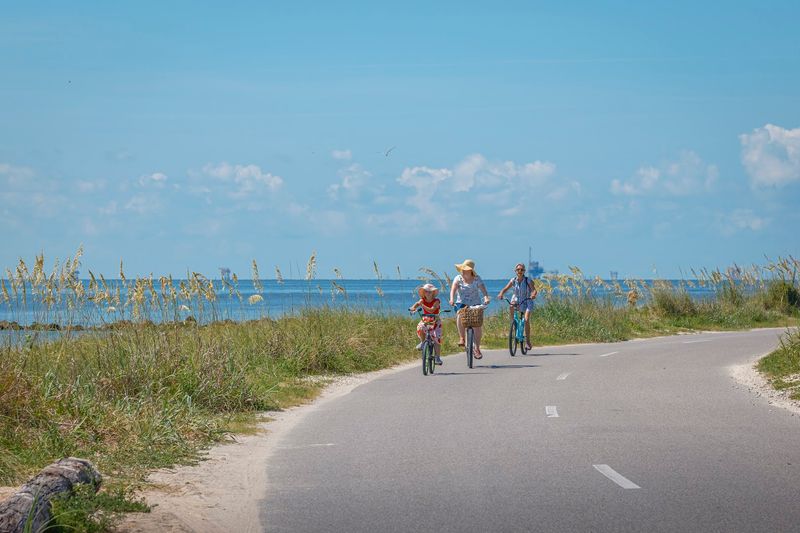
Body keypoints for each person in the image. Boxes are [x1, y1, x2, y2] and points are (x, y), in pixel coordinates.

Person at [449, 259, 490, 359]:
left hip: (475, 303)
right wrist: (451, 299)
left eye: (465, 269)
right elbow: (453, 289)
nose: (462, 270)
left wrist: (486, 297)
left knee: (477, 325)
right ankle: (462, 338)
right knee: (460, 315)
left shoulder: (476, 279)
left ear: (470, 270)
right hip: (461, 303)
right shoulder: (458, 278)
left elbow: (483, 289)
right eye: (462, 269)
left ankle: (477, 348)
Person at [497, 263, 538, 350]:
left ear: (524, 271)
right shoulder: (513, 280)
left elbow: (534, 290)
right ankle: (513, 323)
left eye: (522, 270)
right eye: (518, 270)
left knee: (526, 320)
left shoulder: (528, 280)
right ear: (515, 271)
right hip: (516, 300)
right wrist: (501, 294)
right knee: (511, 306)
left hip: (527, 300)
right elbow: (505, 289)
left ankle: (528, 342)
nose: (520, 271)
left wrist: (533, 295)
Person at [409, 283, 444, 365]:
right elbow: (417, 304)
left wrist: (422, 305)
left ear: (433, 293)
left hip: (435, 320)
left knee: (436, 338)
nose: (428, 293)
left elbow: (431, 310)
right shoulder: (422, 300)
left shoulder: (436, 301)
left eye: (430, 291)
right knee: (420, 327)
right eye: (426, 291)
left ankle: (437, 357)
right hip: (426, 319)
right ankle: (422, 342)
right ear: (424, 293)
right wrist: (413, 308)